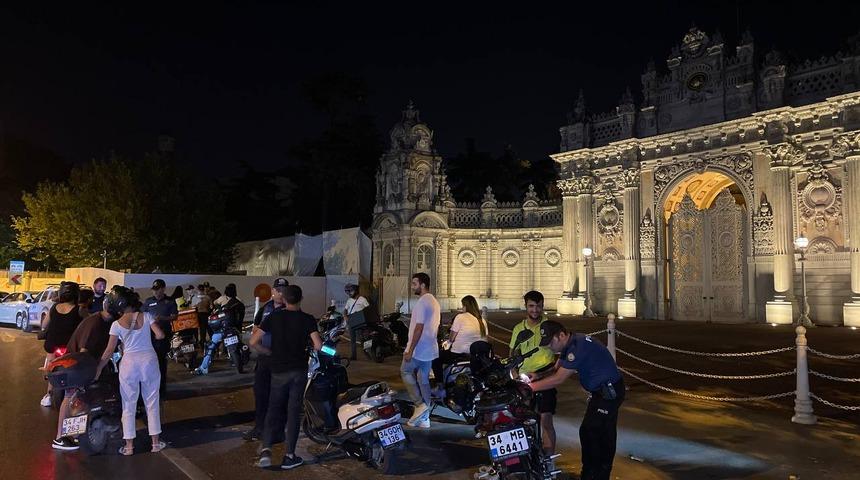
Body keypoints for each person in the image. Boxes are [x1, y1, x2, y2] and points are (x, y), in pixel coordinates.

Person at [528, 321, 625, 480]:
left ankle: (592, 474)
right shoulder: (571, 343)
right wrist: (538, 376)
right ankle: (598, 473)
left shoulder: (577, 347)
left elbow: (558, 379)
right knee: (602, 432)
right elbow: (556, 368)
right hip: (602, 392)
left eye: (551, 343)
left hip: (609, 393)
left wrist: (530, 388)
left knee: (590, 431)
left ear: (561, 335)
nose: (549, 347)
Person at [250, 284, 322, 470]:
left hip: (278, 371)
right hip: (298, 371)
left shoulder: (274, 316)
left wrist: (269, 352)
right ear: (300, 299)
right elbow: (318, 345)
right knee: (293, 413)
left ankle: (266, 449)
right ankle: (289, 455)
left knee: (273, 409)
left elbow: (253, 341)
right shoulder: (307, 319)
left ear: (284, 299)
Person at [95, 286, 166, 456]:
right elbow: (160, 335)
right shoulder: (147, 316)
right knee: (152, 401)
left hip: (129, 364)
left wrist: (98, 368)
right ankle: (155, 443)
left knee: (128, 404)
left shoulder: (115, 324)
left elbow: (109, 350)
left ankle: (128, 447)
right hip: (149, 361)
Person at [54, 299, 116, 450]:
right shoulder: (95, 323)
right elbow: (83, 352)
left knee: (78, 397)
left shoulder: (106, 321)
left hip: (82, 365)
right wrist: (89, 373)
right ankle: (60, 437)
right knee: (71, 397)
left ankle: (72, 435)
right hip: (76, 366)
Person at [509, 290, 557, 456]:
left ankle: (549, 460)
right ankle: (525, 456)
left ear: (543, 306)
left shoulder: (550, 327)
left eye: (538, 306)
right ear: (526, 306)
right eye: (531, 306)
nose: (535, 310)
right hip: (524, 378)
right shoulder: (518, 329)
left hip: (546, 375)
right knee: (521, 420)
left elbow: (560, 358)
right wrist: (515, 376)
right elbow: (512, 355)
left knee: (546, 420)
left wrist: (550, 371)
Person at [243, 278, 288, 442]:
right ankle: (259, 428)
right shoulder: (264, 309)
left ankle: (278, 431)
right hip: (265, 359)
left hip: (283, 360)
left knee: (281, 396)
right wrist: (262, 348)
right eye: (279, 290)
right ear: (273, 292)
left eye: (284, 290)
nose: (281, 293)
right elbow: (255, 330)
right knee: (261, 394)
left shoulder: (291, 309)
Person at [400, 272, 440, 429]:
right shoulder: (434, 301)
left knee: (405, 372)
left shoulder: (423, 302)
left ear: (423, 285)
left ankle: (419, 404)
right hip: (430, 348)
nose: (412, 286)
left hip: (419, 348)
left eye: (414, 283)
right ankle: (425, 418)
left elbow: (418, 327)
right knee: (423, 380)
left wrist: (410, 349)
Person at [431, 295, 487, 396]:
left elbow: (452, 338)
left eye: (462, 306)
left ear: (465, 306)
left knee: (435, 357)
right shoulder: (482, 320)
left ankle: (440, 386)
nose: (462, 308)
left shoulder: (461, 317)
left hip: (459, 353)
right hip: (476, 355)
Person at [41, 281, 84, 409]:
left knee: (50, 364)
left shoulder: (54, 307)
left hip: (52, 345)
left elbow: (44, 325)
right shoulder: (80, 309)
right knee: (77, 366)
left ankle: (48, 395)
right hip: (70, 346)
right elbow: (88, 323)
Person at [141, 279, 178, 397]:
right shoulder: (148, 302)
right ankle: (149, 387)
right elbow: (142, 316)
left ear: (163, 289)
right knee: (149, 362)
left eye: (158, 290)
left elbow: (174, 316)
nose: (156, 292)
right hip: (149, 336)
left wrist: (162, 318)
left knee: (161, 362)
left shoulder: (170, 301)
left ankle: (161, 389)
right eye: (154, 290)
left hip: (163, 336)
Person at [343, 283, 370, 361]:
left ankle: (368, 353)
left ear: (355, 291)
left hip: (360, 322)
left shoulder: (362, 299)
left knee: (362, 339)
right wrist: (345, 316)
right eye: (348, 292)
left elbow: (368, 309)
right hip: (351, 321)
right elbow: (345, 310)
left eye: (350, 291)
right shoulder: (349, 300)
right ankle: (353, 356)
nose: (349, 293)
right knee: (352, 340)